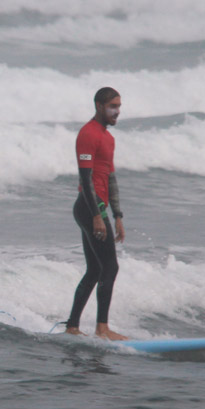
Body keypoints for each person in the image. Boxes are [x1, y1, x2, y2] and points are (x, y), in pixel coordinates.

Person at [65, 87, 127, 341]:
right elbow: (86, 179)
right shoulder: (88, 134)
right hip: (89, 207)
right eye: (113, 106)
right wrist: (98, 215)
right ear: (99, 106)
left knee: (94, 270)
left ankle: (72, 326)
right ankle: (102, 328)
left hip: (99, 209)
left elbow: (110, 179)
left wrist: (118, 215)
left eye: (119, 106)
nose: (117, 112)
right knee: (110, 267)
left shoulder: (108, 138)